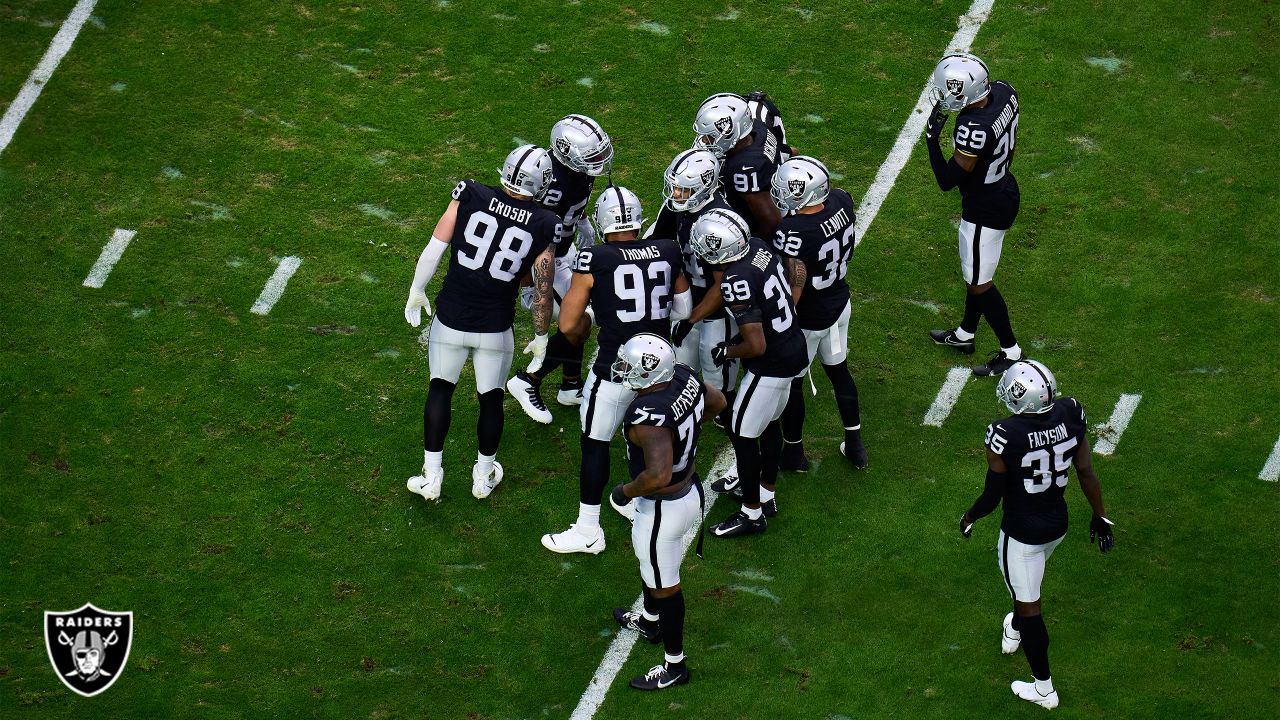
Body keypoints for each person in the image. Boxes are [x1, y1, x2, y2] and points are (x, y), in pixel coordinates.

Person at [404, 145, 560, 501]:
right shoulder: (545, 223)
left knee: (441, 388)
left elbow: (435, 247)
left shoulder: (471, 192)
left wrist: (417, 290)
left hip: (451, 317)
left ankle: (431, 475)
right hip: (494, 325)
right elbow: (542, 286)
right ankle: (484, 475)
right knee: (491, 399)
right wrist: (540, 335)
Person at [540, 187, 691, 553]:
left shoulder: (595, 258)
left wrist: (599, 312)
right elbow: (684, 310)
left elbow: (569, 323)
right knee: (645, 430)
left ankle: (588, 529)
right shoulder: (669, 250)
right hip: (660, 364)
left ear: (602, 222)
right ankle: (637, 502)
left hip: (617, 366)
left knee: (595, 442)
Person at [960, 360, 1116, 710]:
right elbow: (1086, 471)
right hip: (1057, 525)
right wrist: (1100, 515)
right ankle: (1014, 626)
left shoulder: (1004, 434)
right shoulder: (1071, 412)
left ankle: (1044, 689)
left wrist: (969, 516)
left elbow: (992, 495)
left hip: (1022, 536)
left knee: (1029, 604)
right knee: (1023, 592)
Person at [607, 334, 726, 691]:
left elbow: (657, 475)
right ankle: (649, 620)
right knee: (650, 568)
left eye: (630, 365)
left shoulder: (647, 415)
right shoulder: (684, 375)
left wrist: (624, 491)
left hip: (663, 508)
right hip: (688, 489)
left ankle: (675, 665)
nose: (624, 369)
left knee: (665, 585)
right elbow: (717, 401)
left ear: (648, 372)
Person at [689, 209, 807, 537]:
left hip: (770, 364)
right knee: (768, 424)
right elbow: (791, 270)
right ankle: (766, 494)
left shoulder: (735, 279)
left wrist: (727, 350)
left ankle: (751, 514)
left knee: (743, 435)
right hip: (793, 347)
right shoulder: (757, 246)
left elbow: (755, 345)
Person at [924, 53, 1025, 377]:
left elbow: (947, 180)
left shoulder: (973, 126)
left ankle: (1011, 351)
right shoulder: (1004, 91)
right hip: (1004, 186)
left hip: (984, 208)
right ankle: (966, 334)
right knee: (975, 274)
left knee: (980, 284)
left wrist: (930, 140)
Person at [510, 115, 614, 415]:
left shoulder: (580, 172)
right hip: (543, 259)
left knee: (578, 317)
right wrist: (528, 283)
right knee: (577, 323)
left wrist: (580, 221)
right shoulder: (547, 178)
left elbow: (571, 206)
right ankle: (528, 380)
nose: (598, 160)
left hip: (564, 250)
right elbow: (526, 228)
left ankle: (570, 386)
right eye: (591, 155)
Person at [770, 155, 868, 471]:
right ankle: (854, 443)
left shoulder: (793, 229)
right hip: (839, 301)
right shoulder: (840, 201)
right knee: (839, 371)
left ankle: (794, 452)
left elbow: (792, 278)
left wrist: (784, 319)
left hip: (809, 316)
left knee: (792, 383)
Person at [647, 149, 739, 415]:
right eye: (674, 187)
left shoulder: (716, 224)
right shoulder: (680, 207)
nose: (675, 194)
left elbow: (723, 286)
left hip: (719, 306)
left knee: (714, 363)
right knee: (678, 364)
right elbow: (655, 241)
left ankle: (725, 412)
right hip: (689, 295)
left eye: (682, 189)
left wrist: (691, 318)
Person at [692, 92, 788, 241]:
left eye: (710, 136)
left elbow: (772, 223)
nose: (705, 140)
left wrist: (749, 245)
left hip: (760, 224)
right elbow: (789, 152)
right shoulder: (757, 129)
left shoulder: (746, 169)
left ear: (732, 132)